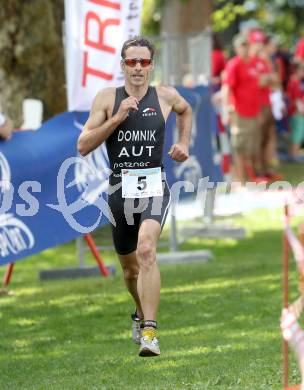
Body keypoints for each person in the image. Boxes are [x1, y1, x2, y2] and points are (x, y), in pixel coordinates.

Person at [77, 36, 192, 357]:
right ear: (123, 65)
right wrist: (116, 119)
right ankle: (140, 313)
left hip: (155, 184)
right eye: (132, 62)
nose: (138, 68)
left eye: (143, 62)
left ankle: (150, 333)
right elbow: (83, 145)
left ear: (151, 65)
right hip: (120, 189)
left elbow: (186, 110)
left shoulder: (165, 96)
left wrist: (184, 142)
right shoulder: (107, 99)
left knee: (146, 250)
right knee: (130, 270)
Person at [221, 34, 263, 185]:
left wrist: (258, 110)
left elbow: (256, 87)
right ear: (237, 48)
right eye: (242, 45)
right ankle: (241, 181)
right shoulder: (234, 64)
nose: (245, 48)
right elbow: (226, 88)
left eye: (247, 45)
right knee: (239, 147)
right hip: (239, 113)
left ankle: (250, 178)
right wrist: (226, 110)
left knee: (251, 147)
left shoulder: (252, 64)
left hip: (253, 112)